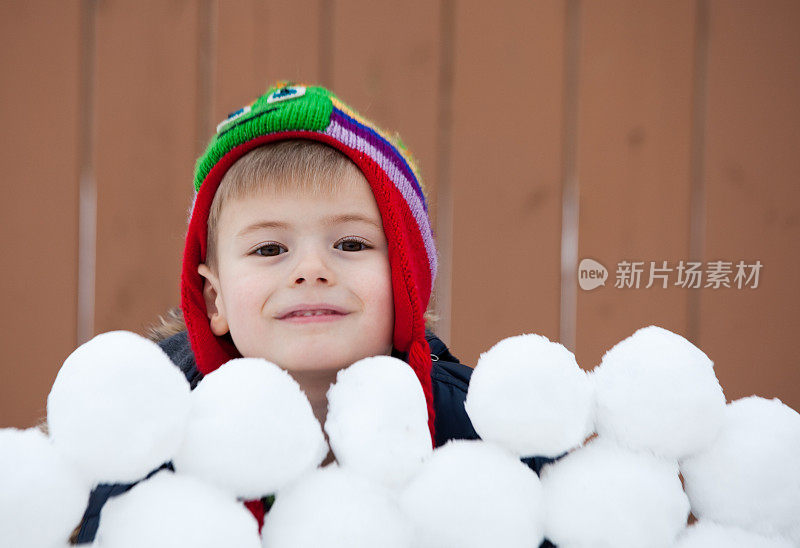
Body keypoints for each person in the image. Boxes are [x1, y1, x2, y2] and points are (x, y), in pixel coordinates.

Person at [72, 83, 556, 546]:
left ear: (407, 283)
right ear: (215, 299)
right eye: (269, 248)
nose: (311, 270)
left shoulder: (478, 434)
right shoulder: (151, 437)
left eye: (350, 243)